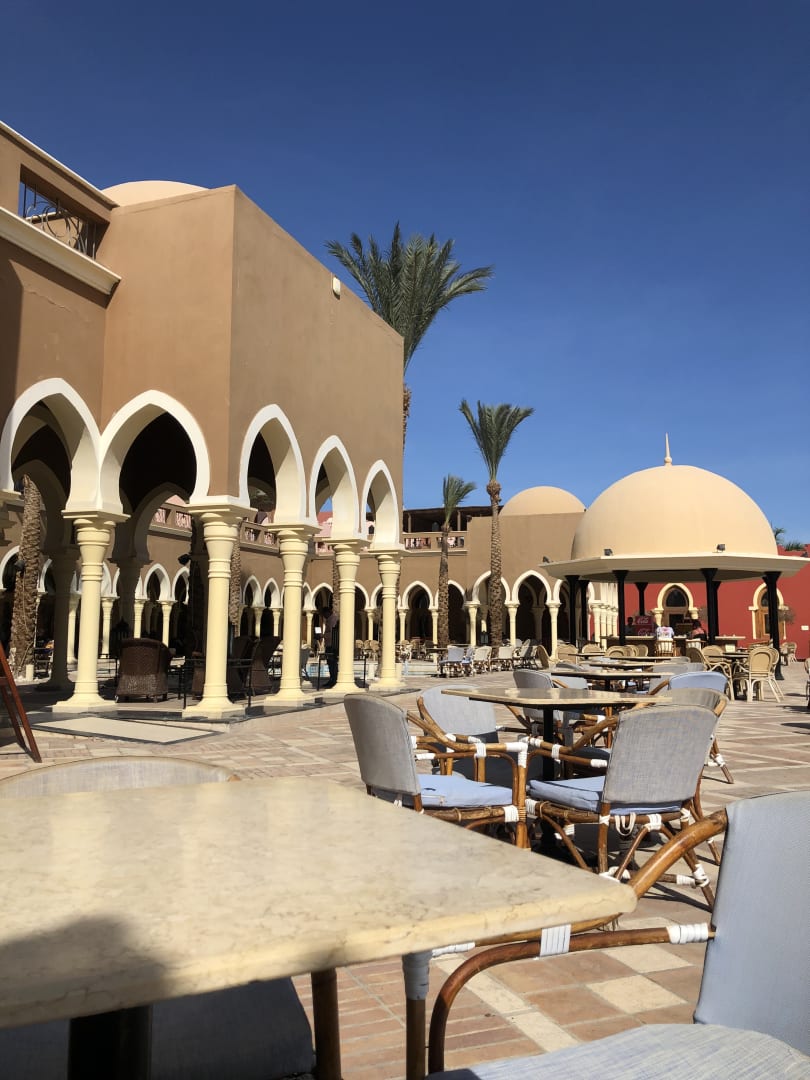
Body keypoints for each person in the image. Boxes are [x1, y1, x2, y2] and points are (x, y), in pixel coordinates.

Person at [322, 606, 339, 688]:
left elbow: (333, 633)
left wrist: (322, 635)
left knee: (332, 663)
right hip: (329, 644)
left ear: (327, 612)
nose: (324, 616)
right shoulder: (329, 620)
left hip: (332, 645)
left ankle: (334, 680)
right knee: (330, 663)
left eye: (324, 614)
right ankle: (332, 679)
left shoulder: (332, 619)